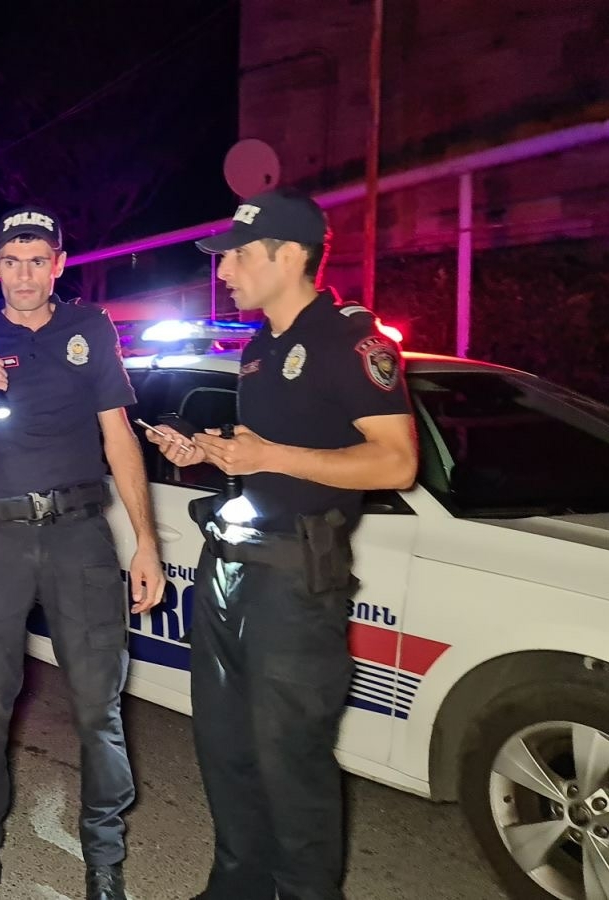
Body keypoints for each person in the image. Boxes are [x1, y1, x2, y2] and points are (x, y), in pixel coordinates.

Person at [142, 188, 416, 900]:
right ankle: (235, 886)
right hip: (230, 568)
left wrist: (268, 456)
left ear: (289, 255)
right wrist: (211, 451)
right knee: (225, 748)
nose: (223, 270)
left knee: (290, 762)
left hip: (294, 583)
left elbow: (396, 462)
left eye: (237, 256)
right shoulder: (260, 348)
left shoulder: (351, 342)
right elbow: (271, 458)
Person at [0, 206, 166, 900]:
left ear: (59, 264)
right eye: (12, 262)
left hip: (77, 536)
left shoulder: (90, 329)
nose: (24, 276)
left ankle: (104, 863)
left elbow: (119, 436)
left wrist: (146, 542)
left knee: (98, 706)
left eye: (38, 261)